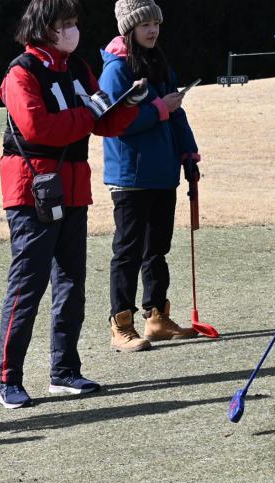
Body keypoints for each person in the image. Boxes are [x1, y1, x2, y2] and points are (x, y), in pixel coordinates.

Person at [0, 0, 147, 409]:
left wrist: (128, 105)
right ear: (44, 28)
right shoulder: (21, 72)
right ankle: (7, 379)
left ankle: (64, 371)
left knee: (71, 283)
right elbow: (37, 127)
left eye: (75, 23)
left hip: (73, 189)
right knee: (28, 285)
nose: (73, 31)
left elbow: (102, 122)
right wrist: (90, 112)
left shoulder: (77, 68)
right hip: (32, 191)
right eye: (66, 24)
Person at [100, 0, 199, 353]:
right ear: (129, 28)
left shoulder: (160, 62)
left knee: (157, 248)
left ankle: (157, 317)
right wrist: (159, 109)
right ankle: (121, 324)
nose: (152, 30)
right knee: (127, 251)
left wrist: (188, 152)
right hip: (130, 176)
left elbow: (176, 113)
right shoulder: (115, 70)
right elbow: (115, 125)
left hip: (163, 172)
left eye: (156, 23)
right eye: (145, 24)